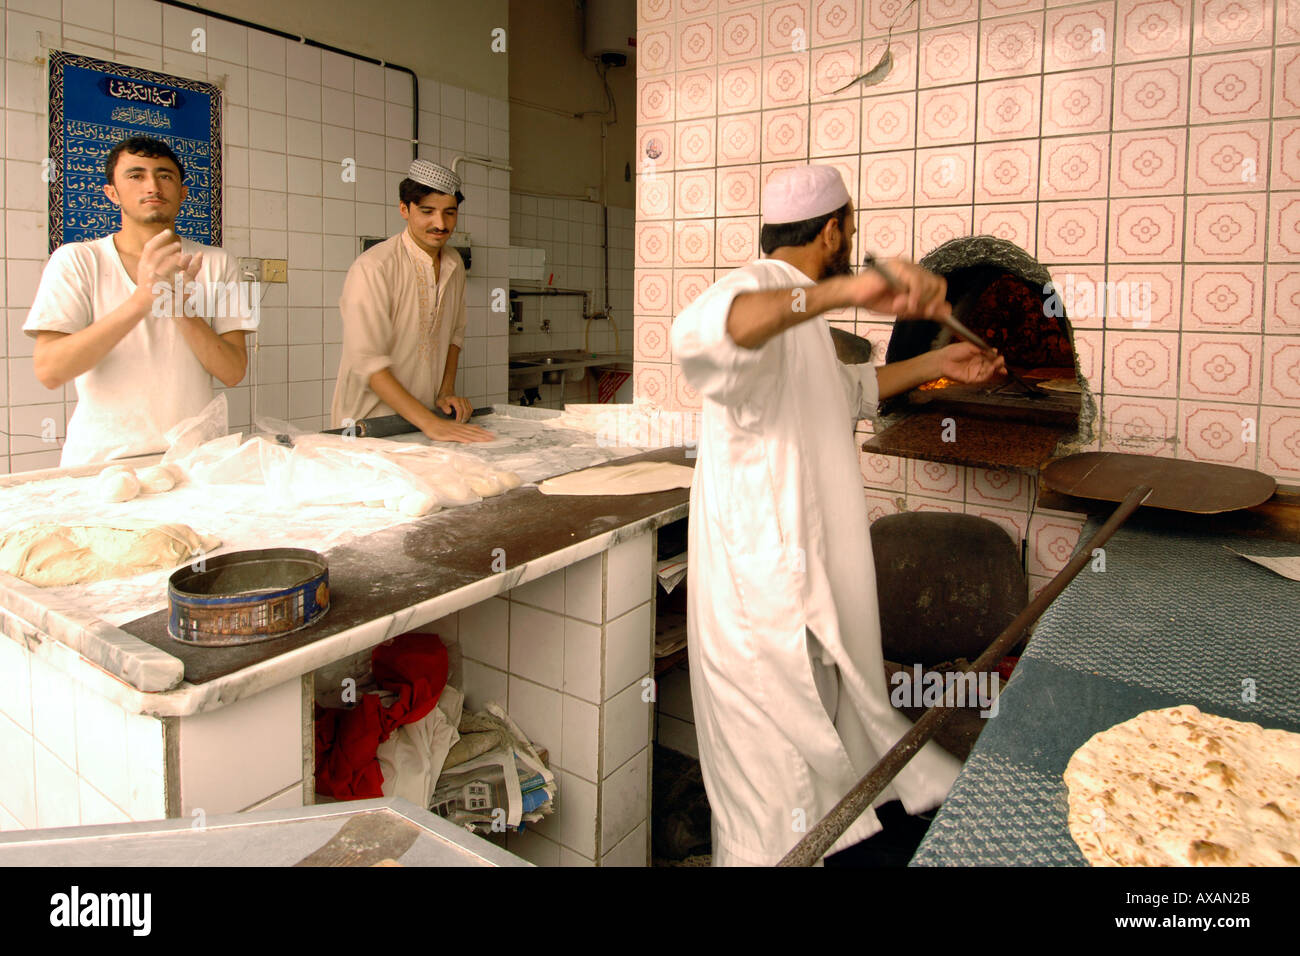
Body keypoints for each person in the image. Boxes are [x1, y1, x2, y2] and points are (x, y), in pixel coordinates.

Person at [670, 164, 1007, 866]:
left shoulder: (798, 310)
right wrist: (848, 291)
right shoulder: (758, 288)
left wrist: (941, 361)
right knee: (768, 791)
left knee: (814, 773)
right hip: (759, 602)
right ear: (833, 230)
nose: (851, 241)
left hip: (802, 587)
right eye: (850, 231)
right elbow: (704, 335)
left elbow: (848, 390)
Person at [26, 136, 250, 466]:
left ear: (182, 192)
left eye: (165, 175)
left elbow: (233, 372)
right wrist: (143, 299)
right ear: (112, 193)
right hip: (102, 464)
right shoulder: (75, 260)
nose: (153, 186)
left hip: (194, 460)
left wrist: (179, 309)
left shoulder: (219, 262)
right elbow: (50, 371)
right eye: (136, 175)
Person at [330, 159, 492, 443]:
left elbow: (455, 335)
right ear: (404, 209)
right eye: (427, 212)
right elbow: (368, 362)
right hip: (370, 427)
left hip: (422, 423)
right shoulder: (374, 267)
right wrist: (431, 423)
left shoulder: (453, 263)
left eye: (449, 213)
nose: (440, 224)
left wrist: (445, 392)